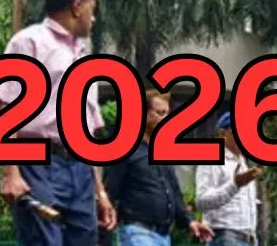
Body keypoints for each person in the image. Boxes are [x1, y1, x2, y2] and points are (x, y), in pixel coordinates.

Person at [0, 0, 117, 246]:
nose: (93, 18)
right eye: (92, 9)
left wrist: (100, 192)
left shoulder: (83, 58)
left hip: (81, 169)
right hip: (39, 163)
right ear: (77, 7)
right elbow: (6, 112)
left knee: (85, 240)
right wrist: (11, 174)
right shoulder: (28, 42)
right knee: (44, 240)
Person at [104, 90, 215, 246]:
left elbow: (174, 193)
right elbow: (110, 190)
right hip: (138, 232)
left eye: (166, 114)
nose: (165, 119)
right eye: (159, 113)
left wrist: (190, 222)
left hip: (163, 236)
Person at [194, 112, 263, 246]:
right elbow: (201, 201)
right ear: (223, 134)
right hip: (225, 236)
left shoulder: (243, 163)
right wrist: (235, 184)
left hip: (249, 238)